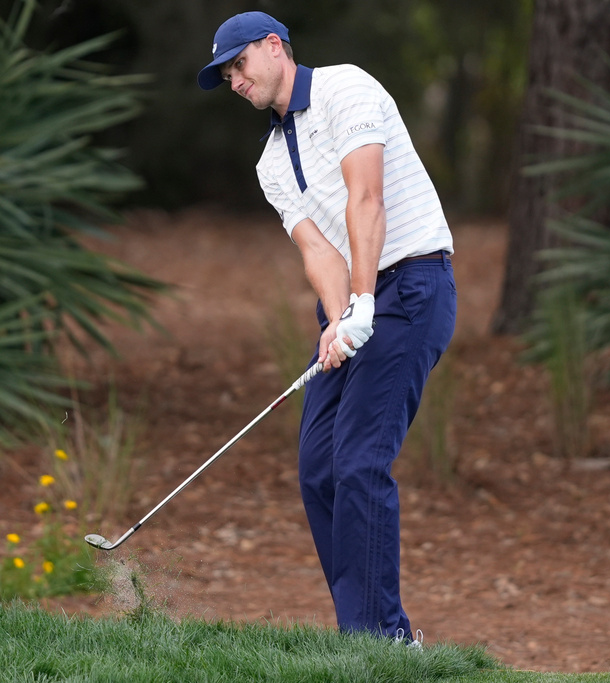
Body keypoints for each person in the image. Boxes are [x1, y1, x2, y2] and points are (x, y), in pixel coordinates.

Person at [198, 12, 456, 642]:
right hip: (359, 301)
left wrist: (365, 304)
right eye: (226, 73)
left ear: (274, 46)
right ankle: (365, 631)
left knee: (361, 461)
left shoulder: (348, 89)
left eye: (240, 64)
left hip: (413, 284)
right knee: (319, 467)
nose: (235, 81)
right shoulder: (269, 163)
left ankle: (380, 642)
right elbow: (318, 250)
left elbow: (366, 198)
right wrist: (342, 315)